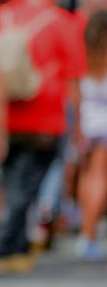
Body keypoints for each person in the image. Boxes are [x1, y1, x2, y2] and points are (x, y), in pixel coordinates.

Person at [0, 0, 85, 272]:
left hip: (1, 116)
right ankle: (5, 248)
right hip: (45, 119)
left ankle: (17, 245)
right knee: (25, 188)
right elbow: (73, 77)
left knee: (10, 185)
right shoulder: (60, 21)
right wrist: (78, 125)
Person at [76, 10, 107, 260]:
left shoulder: (84, 59)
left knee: (88, 176)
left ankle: (86, 231)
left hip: (87, 125)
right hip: (104, 127)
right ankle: (88, 234)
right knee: (99, 178)